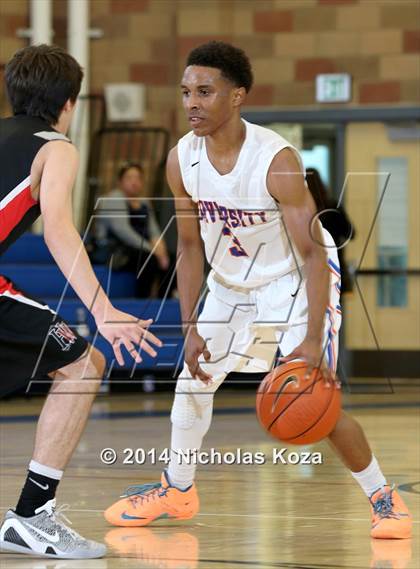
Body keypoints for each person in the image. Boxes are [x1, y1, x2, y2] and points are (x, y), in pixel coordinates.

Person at [104, 41, 412, 540]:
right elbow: (187, 245)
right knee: (191, 383)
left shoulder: (276, 161)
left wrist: (312, 341)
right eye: (186, 92)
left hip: (293, 281)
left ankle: (383, 498)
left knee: (311, 394)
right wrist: (189, 328)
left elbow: (314, 254)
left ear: (238, 96)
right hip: (229, 284)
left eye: (205, 91)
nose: (192, 103)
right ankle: (177, 489)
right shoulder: (181, 160)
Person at [0, 45, 161, 559]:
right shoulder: (55, 146)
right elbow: (60, 230)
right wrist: (104, 310)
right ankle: (31, 516)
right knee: (85, 364)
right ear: (69, 104)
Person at [94, 162, 174, 298]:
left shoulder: (144, 202)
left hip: (140, 249)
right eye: (129, 178)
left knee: (173, 259)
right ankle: (141, 301)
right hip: (114, 250)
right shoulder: (113, 199)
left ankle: (163, 301)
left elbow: (153, 231)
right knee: (148, 259)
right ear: (120, 181)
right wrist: (152, 250)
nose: (134, 182)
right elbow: (123, 232)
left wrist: (161, 250)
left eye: (138, 178)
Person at [305, 167, 355, 293]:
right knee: (335, 309)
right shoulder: (333, 207)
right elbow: (351, 233)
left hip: (310, 268)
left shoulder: (302, 211)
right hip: (335, 266)